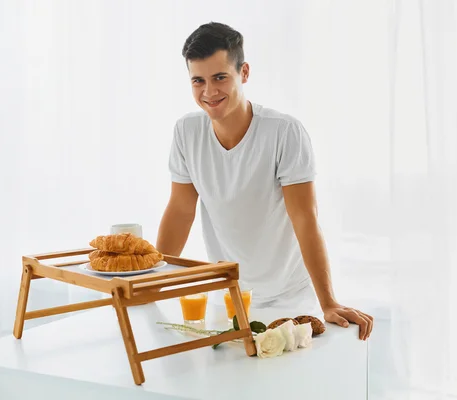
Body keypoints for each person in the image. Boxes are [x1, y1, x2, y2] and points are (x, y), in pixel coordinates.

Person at [156, 22, 373, 340]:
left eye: (220, 77)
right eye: (198, 81)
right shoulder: (186, 132)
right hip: (229, 297)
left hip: (290, 298)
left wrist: (328, 302)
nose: (209, 92)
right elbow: (180, 210)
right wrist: (149, 285)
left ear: (243, 73)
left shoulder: (284, 132)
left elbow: (305, 219)